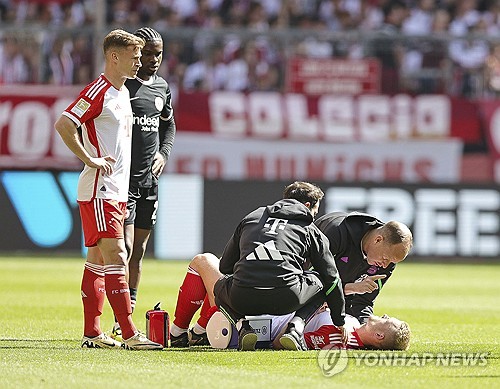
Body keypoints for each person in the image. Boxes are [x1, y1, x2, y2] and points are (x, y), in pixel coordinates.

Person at [54, 29, 162, 350]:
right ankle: (129, 334)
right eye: (134, 56)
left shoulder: (123, 93)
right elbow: (64, 123)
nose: (139, 61)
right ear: (114, 57)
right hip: (100, 189)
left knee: (98, 260)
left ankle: (92, 333)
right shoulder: (98, 91)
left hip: (114, 190)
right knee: (118, 254)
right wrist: (90, 158)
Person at [169, 181, 347, 351]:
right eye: (316, 211)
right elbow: (332, 278)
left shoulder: (252, 217)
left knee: (220, 286)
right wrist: (339, 321)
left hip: (243, 299)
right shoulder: (310, 229)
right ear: (308, 206)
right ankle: (296, 326)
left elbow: (224, 267)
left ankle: (242, 327)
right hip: (287, 300)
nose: (315, 216)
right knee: (322, 279)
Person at [110, 27, 176, 340]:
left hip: (149, 183)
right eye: (145, 54)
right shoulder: (122, 86)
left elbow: (169, 126)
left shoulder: (162, 88)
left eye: (157, 54)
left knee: (138, 253)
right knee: (121, 251)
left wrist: (163, 154)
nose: (151, 60)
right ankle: (119, 320)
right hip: (123, 184)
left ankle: (129, 315)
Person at [314, 211, 413, 324]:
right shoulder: (336, 232)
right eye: (385, 258)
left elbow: (363, 302)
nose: (385, 266)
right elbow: (310, 284)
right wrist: (351, 288)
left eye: (392, 262)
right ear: (378, 240)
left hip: (334, 304)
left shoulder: (387, 261)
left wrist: (366, 327)